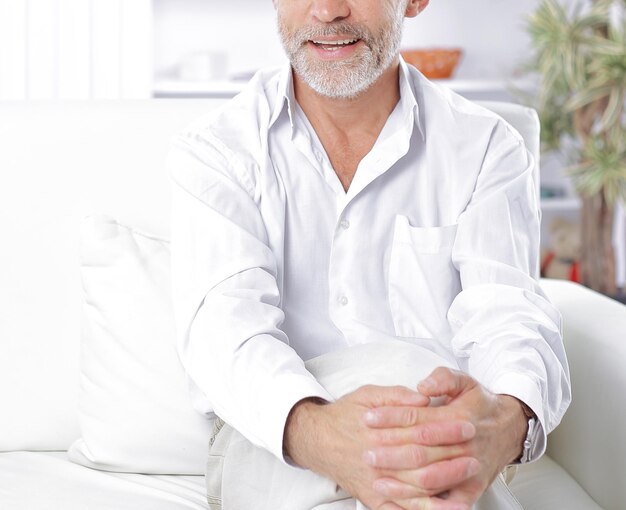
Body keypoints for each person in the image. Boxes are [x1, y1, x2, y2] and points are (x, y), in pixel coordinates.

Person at [169, 0, 571, 508]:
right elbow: (226, 334)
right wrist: (325, 435)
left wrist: (500, 426)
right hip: (277, 440)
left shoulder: (487, 148)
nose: (329, 10)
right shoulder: (216, 152)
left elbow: (509, 317)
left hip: (437, 438)